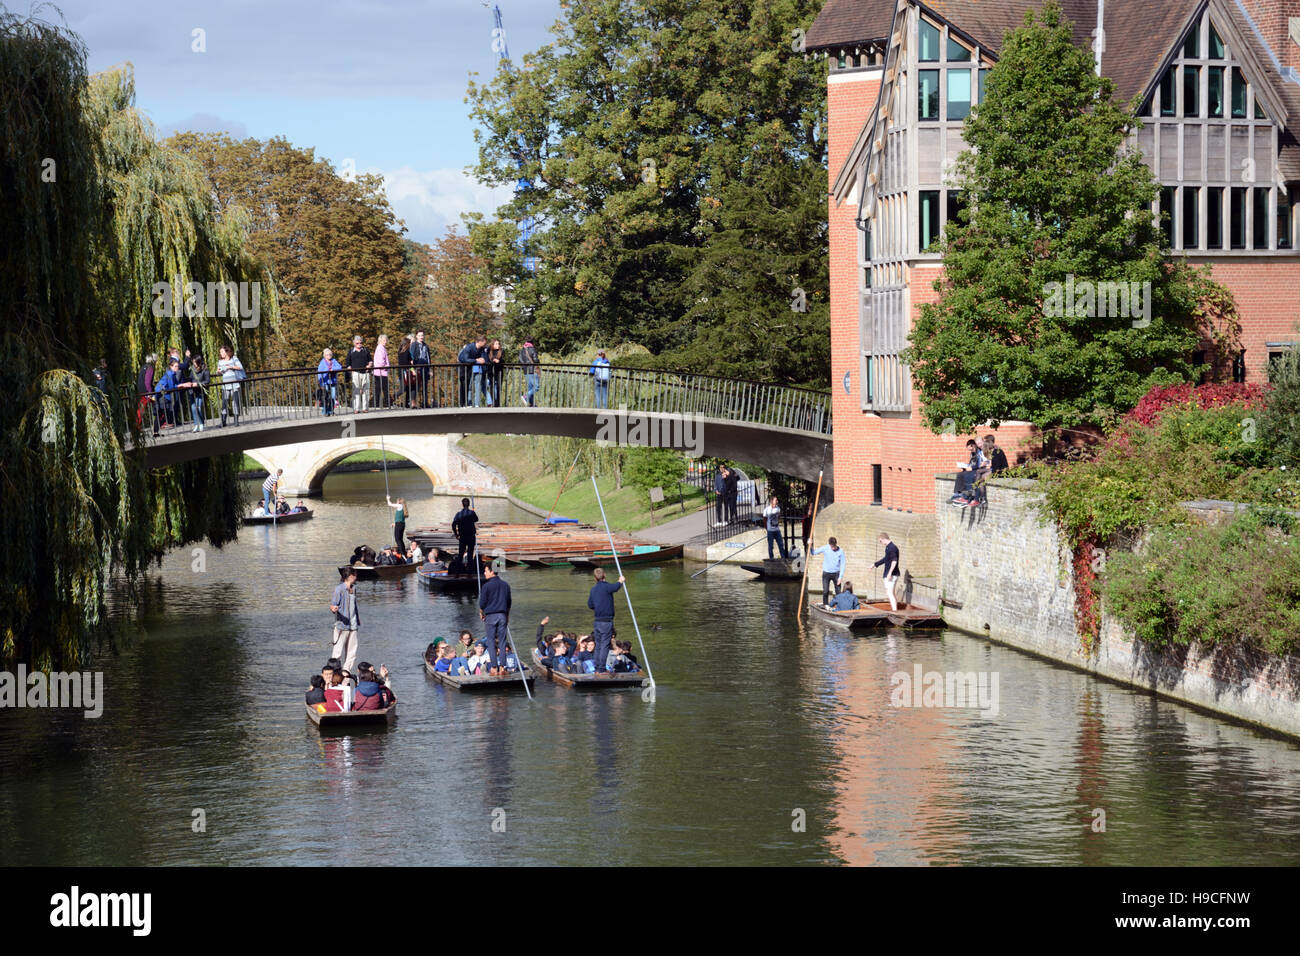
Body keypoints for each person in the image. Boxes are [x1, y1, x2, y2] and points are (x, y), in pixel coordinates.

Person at [587, 567, 625, 676]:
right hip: (606, 621)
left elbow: (590, 605)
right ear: (605, 575)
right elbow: (616, 587)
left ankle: (597, 667)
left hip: (597, 621)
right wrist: (620, 581)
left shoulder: (593, 590)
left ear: (595, 578)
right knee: (604, 645)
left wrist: (598, 606)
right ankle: (602, 669)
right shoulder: (607, 587)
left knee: (598, 644)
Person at [478, 562, 512, 675]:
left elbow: (482, 603)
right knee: (502, 642)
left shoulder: (486, 586)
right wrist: (507, 616)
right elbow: (509, 603)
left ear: (492, 571)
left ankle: (494, 667)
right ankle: (503, 667)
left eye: (486, 570)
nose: (484, 573)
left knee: (491, 642)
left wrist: (481, 612)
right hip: (502, 615)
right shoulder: (505, 585)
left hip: (491, 616)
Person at [330, 570, 360, 673]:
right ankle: (334, 673)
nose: (356, 577)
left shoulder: (354, 588)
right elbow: (333, 604)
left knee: (352, 653)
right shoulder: (339, 589)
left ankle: (346, 673)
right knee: (337, 652)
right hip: (342, 625)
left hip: (353, 625)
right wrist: (333, 609)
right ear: (350, 576)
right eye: (355, 575)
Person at [811, 536, 845, 607]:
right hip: (826, 573)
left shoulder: (841, 551)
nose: (833, 548)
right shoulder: (825, 548)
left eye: (834, 546)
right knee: (826, 591)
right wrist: (810, 545)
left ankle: (839, 606)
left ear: (836, 544)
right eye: (831, 547)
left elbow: (843, 564)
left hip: (836, 574)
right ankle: (825, 605)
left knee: (838, 592)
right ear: (829, 545)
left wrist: (840, 577)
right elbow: (813, 552)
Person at [217, 345, 244, 427]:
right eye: (220, 352)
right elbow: (218, 371)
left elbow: (240, 367)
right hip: (225, 385)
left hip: (234, 384)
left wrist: (231, 367)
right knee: (224, 403)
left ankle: (236, 421)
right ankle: (223, 421)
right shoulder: (220, 362)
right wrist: (219, 371)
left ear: (227, 351)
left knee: (235, 402)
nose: (221, 353)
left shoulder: (234, 358)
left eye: (222, 351)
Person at [873, 534, 901, 612]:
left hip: (891, 575)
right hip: (892, 574)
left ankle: (895, 611)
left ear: (883, 539)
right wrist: (875, 564)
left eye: (880, 541)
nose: (880, 543)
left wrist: (889, 573)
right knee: (891, 593)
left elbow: (894, 561)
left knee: (889, 593)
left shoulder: (892, 548)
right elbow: (886, 559)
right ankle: (895, 609)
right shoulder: (889, 547)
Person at [154, 357, 183, 429]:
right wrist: (182, 385)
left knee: (166, 410)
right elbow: (171, 387)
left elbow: (176, 383)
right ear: (171, 366)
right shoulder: (170, 374)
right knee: (164, 411)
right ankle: (158, 428)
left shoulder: (172, 374)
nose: (177, 368)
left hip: (165, 395)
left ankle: (162, 426)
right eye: (175, 366)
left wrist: (182, 384)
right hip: (162, 395)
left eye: (178, 366)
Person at [346, 335, 373, 413]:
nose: (359, 344)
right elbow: (348, 363)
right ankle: (356, 408)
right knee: (356, 391)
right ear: (354, 343)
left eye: (361, 342)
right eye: (357, 343)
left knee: (366, 391)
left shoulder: (365, 350)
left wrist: (369, 365)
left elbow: (370, 360)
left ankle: (365, 408)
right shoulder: (351, 351)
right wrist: (350, 370)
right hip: (355, 373)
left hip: (365, 373)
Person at [452, 497, 478, 565]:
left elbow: (453, 525)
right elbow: (476, 519)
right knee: (470, 554)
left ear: (462, 505)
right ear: (469, 504)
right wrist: (473, 512)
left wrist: (456, 534)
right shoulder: (472, 513)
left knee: (461, 554)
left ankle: (458, 571)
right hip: (471, 536)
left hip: (462, 537)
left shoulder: (458, 514)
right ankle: (470, 573)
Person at [188, 354, 209, 432]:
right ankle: (196, 424)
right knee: (193, 408)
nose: (194, 364)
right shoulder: (192, 369)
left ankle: (201, 423)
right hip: (192, 391)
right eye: (193, 362)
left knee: (198, 407)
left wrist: (198, 384)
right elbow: (190, 379)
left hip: (200, 391)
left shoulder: (205, 369)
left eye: (195, 362)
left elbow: (207, 381)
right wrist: (189, 384)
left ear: (199, 362)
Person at [762, 496, 788, 560]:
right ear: (771, 501)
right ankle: (771, 558)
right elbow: (764, 520)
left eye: (777, 500)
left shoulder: (778, 509)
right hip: (770, 530)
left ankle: (783, 557)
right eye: (775, 500)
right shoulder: (766, 510)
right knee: (770, 546)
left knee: (781, 544)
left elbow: (778, 517)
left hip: (777, 530)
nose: (777, 501)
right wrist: (767, 528)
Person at [409, 331, 431, 408]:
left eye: (422, 335)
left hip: (425, 368)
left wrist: (429, 369)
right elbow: (411, 357)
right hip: (417, 368)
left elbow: (428, 358)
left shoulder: (426, 345)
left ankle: (425, 403)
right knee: (416, 386)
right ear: (417, 336)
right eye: (419, 335)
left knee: (425, 386)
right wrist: (413, 369)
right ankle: (413, 403)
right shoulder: (414, 345)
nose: (421, 337)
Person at [317, 349, 341, 415]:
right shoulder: (322, 363)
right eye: (327, 355)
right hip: (325, 382)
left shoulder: (334, 361)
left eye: (330, 354)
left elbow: (339, 367)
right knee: (325, 397)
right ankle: (325, 411)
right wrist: (321, 383)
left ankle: (331, 410)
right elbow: (319, 373)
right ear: (324, 355)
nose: (329, 356)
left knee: (333, 397)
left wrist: (333, 369)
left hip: (332, 382)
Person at [136, 354, 156, 430]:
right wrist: (149, 393)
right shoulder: (150, 368)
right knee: (158, 403)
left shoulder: (144, 366)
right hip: (146, 392)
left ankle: (137, 425)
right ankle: (162, 422)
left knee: (141, 408)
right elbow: (147, 382)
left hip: (142, 391)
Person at [520, 338, 540, 406]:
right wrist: (538, 363)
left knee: (530, 388)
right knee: (536, 387)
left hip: (526, 371)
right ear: (532, 342)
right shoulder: (532, 349)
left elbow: (520, 360)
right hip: (532, 370)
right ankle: (525, 397)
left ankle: (532, 405)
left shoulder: (522, 350)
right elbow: (535, 360)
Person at [469, 336, 488, 407]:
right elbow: (467, 358)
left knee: (478, 387)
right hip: (470, 369)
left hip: (479, 369)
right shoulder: (471, 348)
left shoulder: (483, 350)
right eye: (484, 343)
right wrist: (476, 359)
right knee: (469, 387)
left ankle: (476, 403)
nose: (485, 344)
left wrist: (482, 360)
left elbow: (485, 359)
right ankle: (469, 403)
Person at [373, 334, 391, 408]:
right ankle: (384, 404)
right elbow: (381, 362)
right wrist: (387, 366)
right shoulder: (380, 348)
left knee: (380, 389)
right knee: (383, 389)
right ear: (380, 340)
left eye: (386, 340)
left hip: (381, 372)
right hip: (381, 372)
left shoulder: (382, 348)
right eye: (384, 340)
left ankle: (379, 404)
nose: (385, 342)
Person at [486, 338, 504, 406]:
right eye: (496, 344)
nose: (498, 345)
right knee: (492, 387)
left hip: (499, 371)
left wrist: (499, 361)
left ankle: (497, 403)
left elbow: (503, 360)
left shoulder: (501, 351)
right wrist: (493, 360)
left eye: (499, 344)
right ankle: (493, 402)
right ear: (492, 344)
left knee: (498, 388)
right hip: (491, 372)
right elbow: (487, 359)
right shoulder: (489, 351)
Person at [397, 336, 413, 407]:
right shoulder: (404, 352)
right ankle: (392, 398)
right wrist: (411, 364)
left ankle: (407, 403)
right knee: (403, 388)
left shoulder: (406, 351)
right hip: (404, 371)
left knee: (408, 387)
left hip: (406, 371)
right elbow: (404, 362)